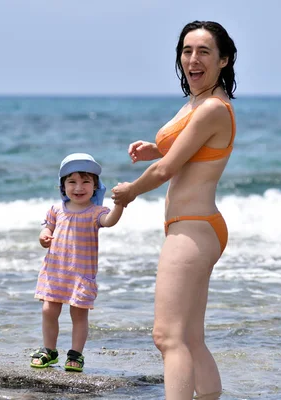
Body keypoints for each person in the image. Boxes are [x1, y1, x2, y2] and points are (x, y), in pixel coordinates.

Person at [111, 21, 237, 399]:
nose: (193, 59)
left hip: (193, 228)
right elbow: (185, 151)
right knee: (190, 338)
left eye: (204, 51)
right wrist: (156, 147)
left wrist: (130, 191)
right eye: (187, 51)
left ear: (224, 60)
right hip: (194, 226)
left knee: (167, 336)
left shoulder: (213, 107)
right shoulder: (198, 103)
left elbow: (167, 171)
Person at [31, 153, 124, 372]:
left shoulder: (96, 212)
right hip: (56, 272)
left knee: (79, 315)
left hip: (81, 273)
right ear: (63, 186)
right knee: (48, 310)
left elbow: (109, 221)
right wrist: (43, 236)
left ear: (95, 186)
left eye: (85, 181)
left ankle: (75, 354)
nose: (78, 187)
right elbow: (48, 228)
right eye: (72, 181)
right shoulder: (56, 210)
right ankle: (49, 350)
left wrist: (120, 205)